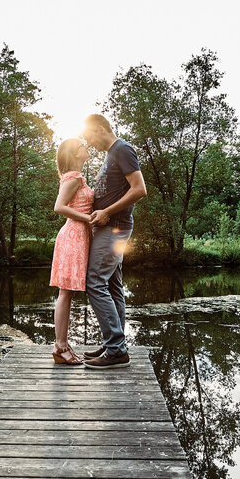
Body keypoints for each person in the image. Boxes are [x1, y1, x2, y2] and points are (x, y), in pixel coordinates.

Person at [79, 114, 146, 370]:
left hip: (114, 227)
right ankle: (113, 345)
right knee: (113, 286)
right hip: (111, 228)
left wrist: (107, 212)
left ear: (101, 128)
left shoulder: (122, 148)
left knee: (94, 281)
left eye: (90, 136)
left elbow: (139, 189)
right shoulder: (111, 154)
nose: (90, 142)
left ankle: (116, 349)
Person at [48, 137, 93, 364]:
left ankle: (62, 346)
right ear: (75, 154)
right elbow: (59, 207)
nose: (86, 147)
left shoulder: (78, 177)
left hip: (79, 236)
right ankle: (60, 347)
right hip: (73, 236)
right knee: (65, 292)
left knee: (68, 292)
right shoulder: (74, 177)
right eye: (82, 145)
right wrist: (89, 218)